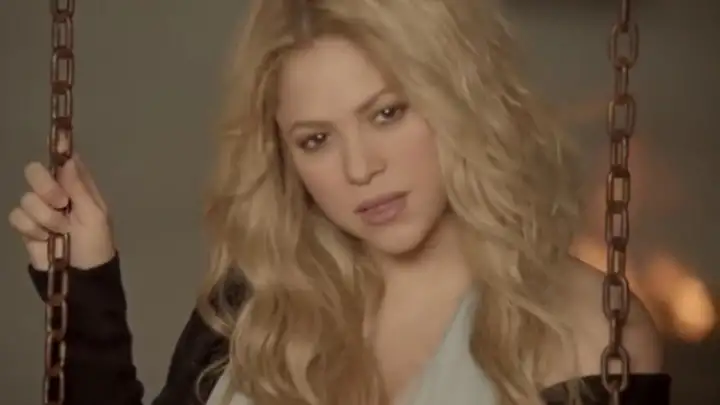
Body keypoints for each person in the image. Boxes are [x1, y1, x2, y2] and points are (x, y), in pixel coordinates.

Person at [8, 0, 671, 404]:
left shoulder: (588, 327)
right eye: (316, 139)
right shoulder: (258, 304)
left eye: (387, 113)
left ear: (459, 102)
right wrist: (86, 287)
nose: (360, 168)